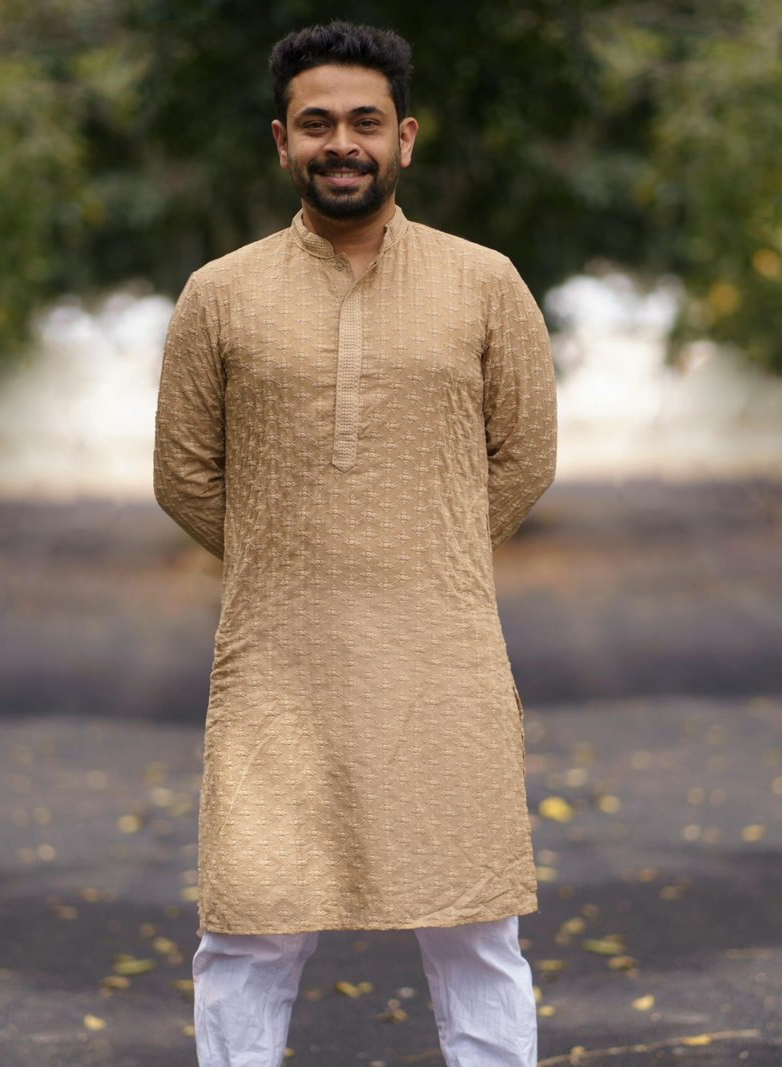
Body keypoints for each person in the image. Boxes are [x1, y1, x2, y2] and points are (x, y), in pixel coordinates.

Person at [152, 20, 557, 1067]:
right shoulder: (220, 293)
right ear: (279, 141)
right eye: (317, 123)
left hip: (442, 656)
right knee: (248, 926)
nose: (343, 143)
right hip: (275, 665)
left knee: (474, 925)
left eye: (364, 122)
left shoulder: (484, 282)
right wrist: (288, 557)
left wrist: (424, 554)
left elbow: (525, 453)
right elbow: (184, 472)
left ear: (406, 138)